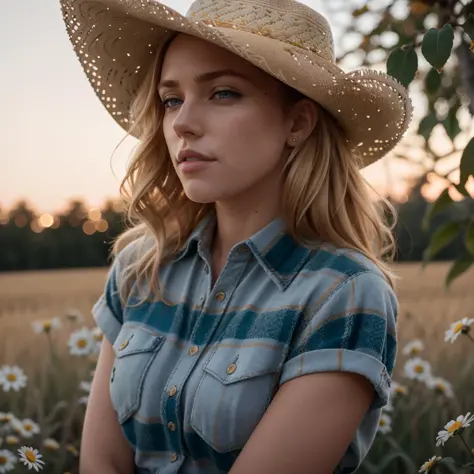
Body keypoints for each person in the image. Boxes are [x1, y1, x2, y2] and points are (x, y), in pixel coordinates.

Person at [59, 0, 413, 472]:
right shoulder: (140, 267)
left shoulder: (344, 294)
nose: (182, 123)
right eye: (171, 99)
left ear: (298, 122)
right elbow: (101, 463)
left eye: (223, 93)